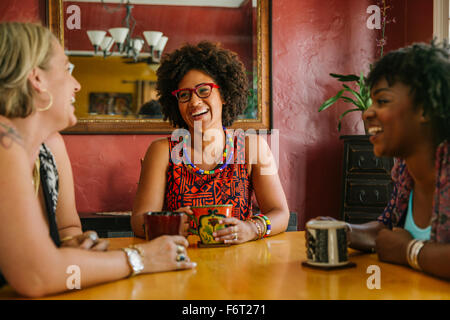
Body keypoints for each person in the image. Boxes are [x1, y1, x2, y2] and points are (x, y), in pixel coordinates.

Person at [0, 22, 195, 298]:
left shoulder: (44, 147)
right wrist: (140, 258)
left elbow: (52, 254)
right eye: (68, 69)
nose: (77, 85)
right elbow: (37, 276)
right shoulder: (3, 140)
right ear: (37, 79)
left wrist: (71, 250)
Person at [311, 41, 450, 280]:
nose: (367, 112)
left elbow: (400, 246)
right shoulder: (405, 171)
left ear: (425, 110)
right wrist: (344, 231)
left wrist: (410, 251)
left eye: (382, 101)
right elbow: (387, 232)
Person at [132, 41, 290, 244]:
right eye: (184, 95)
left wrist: (251, 229)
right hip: (180, 263)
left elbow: (280, 213)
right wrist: (169, 225)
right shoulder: (162, 151)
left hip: (240, 265)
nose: (194, 102)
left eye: (204, 90)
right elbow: (138, 222)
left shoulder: (253, 147)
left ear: (224, 94)